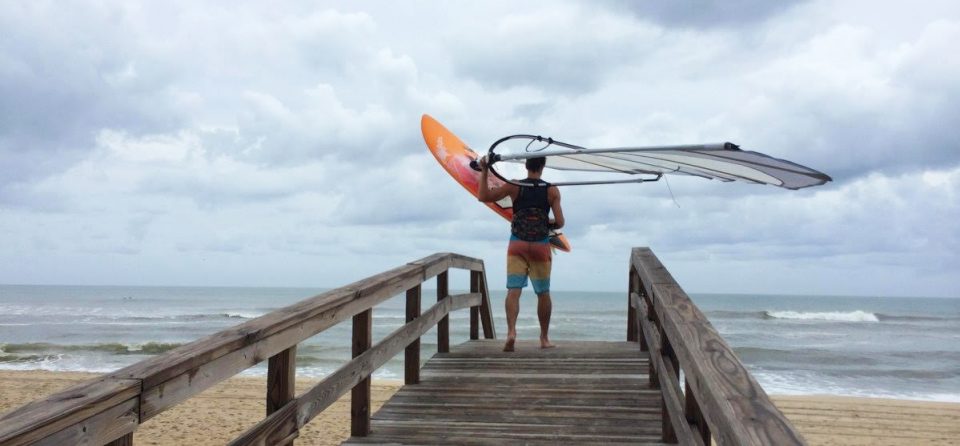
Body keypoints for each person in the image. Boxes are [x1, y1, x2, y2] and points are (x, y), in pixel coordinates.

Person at [477, 155, 564, 352]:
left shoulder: (514, 186)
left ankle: (511, 333)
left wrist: (484, 171)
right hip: (541, 246)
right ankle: (544, 338)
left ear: (526, 165)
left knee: (513, 291)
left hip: (517, 244)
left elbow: (484, 196)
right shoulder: (552, 190)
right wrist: (546, 222)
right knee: (543, 293)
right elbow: (560, 222)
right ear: (542, 167)